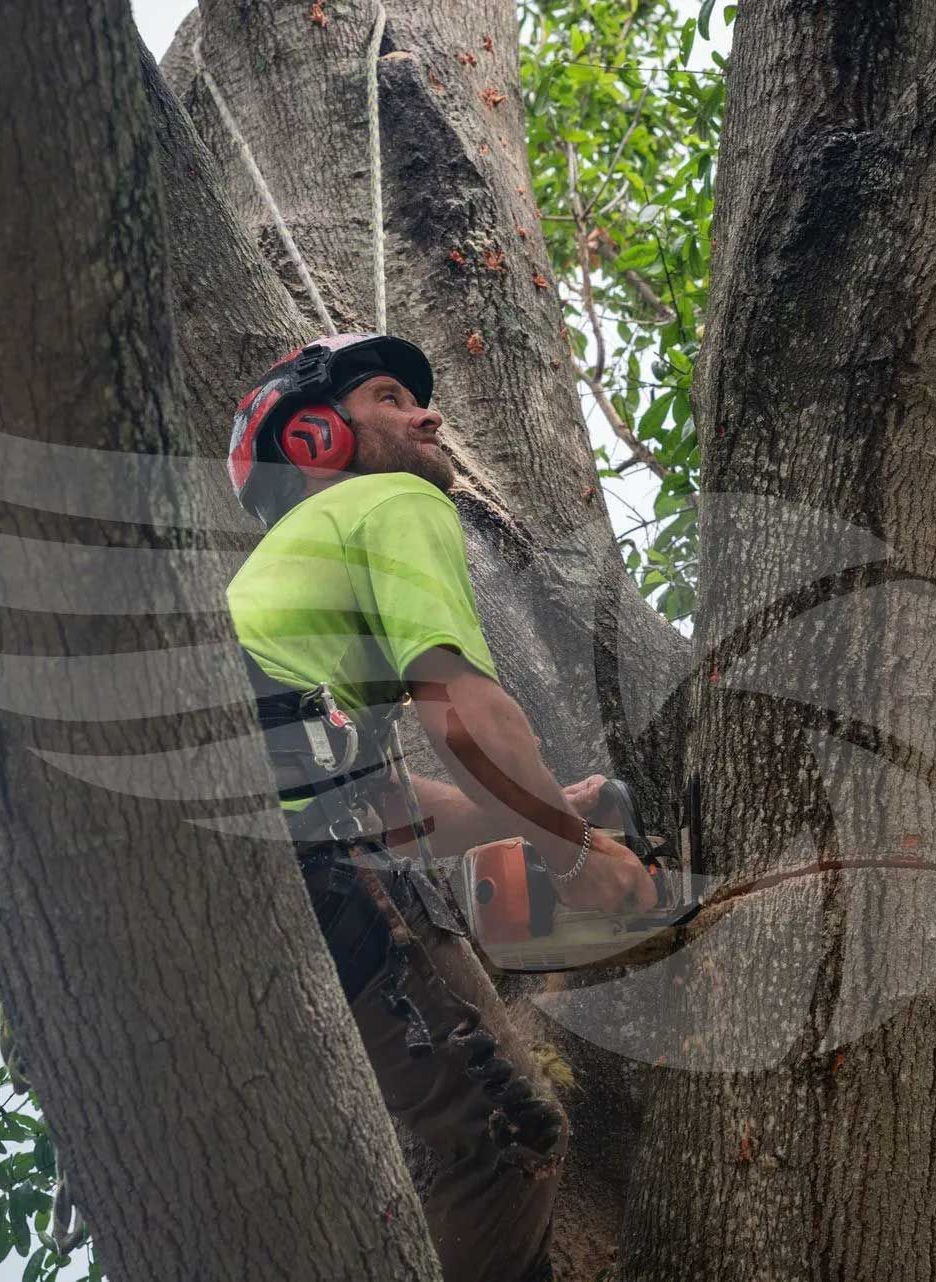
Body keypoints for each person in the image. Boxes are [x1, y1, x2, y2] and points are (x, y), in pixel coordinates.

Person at [223, 333, 656, 1282]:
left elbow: (374, 795)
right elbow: (461, 712)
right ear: (314, 440)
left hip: (230, 874)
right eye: (389, 396)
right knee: (508, 1134)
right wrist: (581, 855)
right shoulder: (391, 502)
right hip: (301, 866)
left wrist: (531, 818)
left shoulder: (280, 582)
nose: (430, 413)